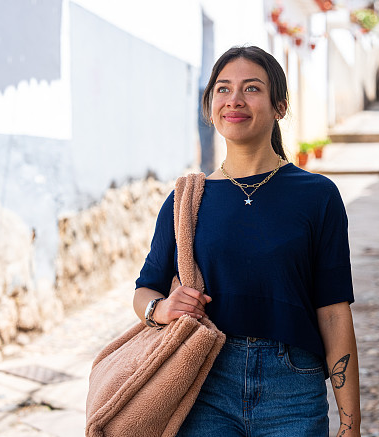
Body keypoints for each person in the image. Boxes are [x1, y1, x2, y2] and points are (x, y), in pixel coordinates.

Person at [133, 45, 361, 437]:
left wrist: (350, 423)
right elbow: (145, 290)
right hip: (205, 384)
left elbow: (334, 311)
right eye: (222, 89)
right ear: (210, 108)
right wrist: (161, 308)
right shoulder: (187, 199)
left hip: (293, 389)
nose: (234, 100)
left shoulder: (317, 195)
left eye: (251, 88)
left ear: (280, 107)